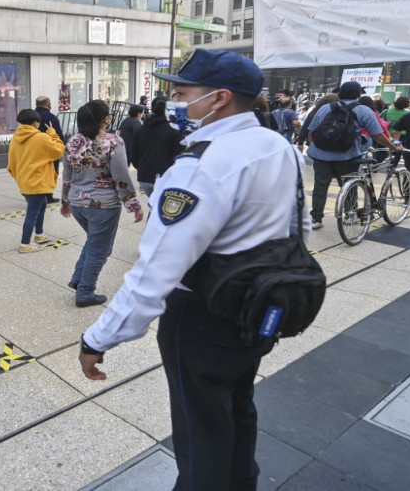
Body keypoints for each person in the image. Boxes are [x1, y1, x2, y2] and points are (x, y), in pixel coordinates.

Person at [77, 49, 311, 491]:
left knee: (199, 428)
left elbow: (157, 269)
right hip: (261, 304)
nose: (175, 101)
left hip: (203, 316)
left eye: (183, 92)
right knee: (238, 406)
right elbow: (299, 229)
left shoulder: (201, 164)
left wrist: (98, 338)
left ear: (219, 98)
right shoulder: (276, 146)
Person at [62, 100, 144, 307]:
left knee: (94, 241)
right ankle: (85, 293)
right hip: (103, 205)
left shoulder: (73, 141)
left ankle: (78, 279)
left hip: (77, 203)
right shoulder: (114, 142)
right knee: (101, 250)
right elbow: (121, 175)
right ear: (106, 119)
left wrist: (65, 200)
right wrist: (133, 204)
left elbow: (67, 176)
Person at [305, 82, 401, 230]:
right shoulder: (363, 110)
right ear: (358, 95)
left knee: (320, 186)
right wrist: (393, 147)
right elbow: (378, 135)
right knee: (350, 184)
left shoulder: (325, 108)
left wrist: (317, 148)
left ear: (339, 94)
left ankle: (316, 218)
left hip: (321, 155)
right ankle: (350, 214)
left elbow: (311, 131)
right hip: (348, 155)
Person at [7, 108, 65, 253]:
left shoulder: (15, 138)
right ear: (35, 122)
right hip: (38, 181)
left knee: (42, 203)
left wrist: (18, 177)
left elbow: (11, 162)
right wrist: (53, 134)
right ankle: (24, 244)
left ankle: (39, 235)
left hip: (25, 180)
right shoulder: (41, 137)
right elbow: (58, 151)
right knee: (32, 212)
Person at [130, 96, 183, 197]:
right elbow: (179, 157)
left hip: (144, 178)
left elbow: (134, 155)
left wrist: (142, 167)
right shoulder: (175, 130)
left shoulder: (141, 129)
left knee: (154, 206)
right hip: (167, 178)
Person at [35, 96, 63, 203]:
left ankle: (37, 194)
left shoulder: (31, 116)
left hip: (34, 150)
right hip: (50, 150)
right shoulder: (51, 117)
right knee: (52, 172)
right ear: (49, 105)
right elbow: (58, 135)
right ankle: (48, 196)